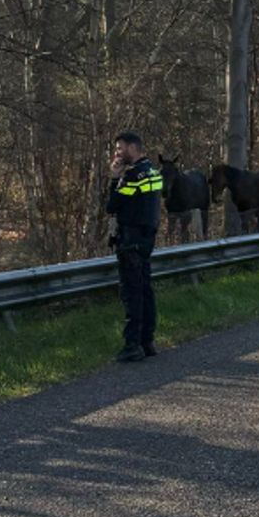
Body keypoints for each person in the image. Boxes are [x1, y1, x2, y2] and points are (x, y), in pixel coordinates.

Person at [106, 132, 163, 362]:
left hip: (130, 240)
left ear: (132, 148)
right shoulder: (152, 171)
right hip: (147, 239)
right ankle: (147, 341)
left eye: (120, 148)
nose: (117, 153)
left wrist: (114, 177)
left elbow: (112, 206)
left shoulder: (132, 176)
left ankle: (132, 345)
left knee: (132, 293)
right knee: (146, 290)